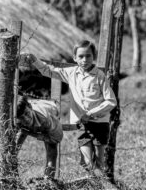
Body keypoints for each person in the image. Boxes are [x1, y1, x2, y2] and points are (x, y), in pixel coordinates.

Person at [22, 40, 117, 176]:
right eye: (81, 56)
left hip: (100, 123)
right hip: (82, 124)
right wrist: (34, 59)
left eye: (88, 56)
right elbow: (48, 70)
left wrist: (90, 113)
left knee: (99, 162)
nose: (85, 60)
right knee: (88, 162)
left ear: (93, 57)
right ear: (74, 58)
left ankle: (99, 184)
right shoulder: (71, 73)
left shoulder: (99, 76)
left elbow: (111, 101)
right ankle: (99, 182)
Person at [15, 95, 63, 179]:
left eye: (26, 113)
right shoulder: (15, 119)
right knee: (13, 149)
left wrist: (34, 134)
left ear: (30, 107)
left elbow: (56, 138)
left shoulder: (46, 119)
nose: (26, 119)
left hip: (50, 111)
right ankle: (12, 176)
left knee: (52, 150)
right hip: (33, 110)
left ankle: (49, 178)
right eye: (22, 118)